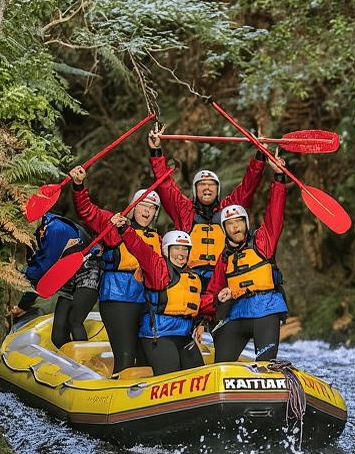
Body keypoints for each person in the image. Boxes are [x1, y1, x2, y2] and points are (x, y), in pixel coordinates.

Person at [70, 165, 161, 374]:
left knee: (146, 357)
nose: (146, 211)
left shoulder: (158, 238)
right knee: (126, 356)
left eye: (152, 207)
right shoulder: (114, 227)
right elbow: (87, 211)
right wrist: (79, 186)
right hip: (118, 299)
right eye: (142, 205)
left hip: (145, 302)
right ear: (133, 207)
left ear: (156, 213)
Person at [198, 156, 290, 364]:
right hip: (237, 313)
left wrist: (278, 177)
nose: (236, 227)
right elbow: (211, 294)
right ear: (224, 230)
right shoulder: (225, 258)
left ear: (246, 223)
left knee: (265, 364)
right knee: (221, 363)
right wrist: (213, 303)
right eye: (230, 224)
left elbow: (275, 212)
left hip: (267, 309)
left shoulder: (262, 242)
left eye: (240, 221)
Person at [147, 126, 267, 283]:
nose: (207, 188)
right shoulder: (185, 210)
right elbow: (165, 186)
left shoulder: (228, 209)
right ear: (195, 190)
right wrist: (156, 152)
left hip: (223, 279)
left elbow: (248, 186)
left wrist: (260, 157)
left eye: (211, 185)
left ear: (217, 190)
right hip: (191, 277)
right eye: (202, 184)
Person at [113, 217, 205, 376]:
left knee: (199, 374)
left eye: (185, 249)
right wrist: (125, 229)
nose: (181, 254)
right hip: (158, 335)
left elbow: (203, 303)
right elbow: (140, 248)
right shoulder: (158, 269)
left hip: (184, 336)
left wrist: (205, 318)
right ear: (166, 250)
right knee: (171, 373)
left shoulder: (193, 276)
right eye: (176, 248)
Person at [14, 211, 101, 348]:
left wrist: (24, 304)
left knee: (74, 321)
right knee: (58, 333)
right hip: (67, 277)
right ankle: (66, 360)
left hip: (88, 272)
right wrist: (24, 305)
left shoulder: (55, 229)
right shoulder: (39, 231)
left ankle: (83, 360)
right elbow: (38, 264)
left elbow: (42, 268)